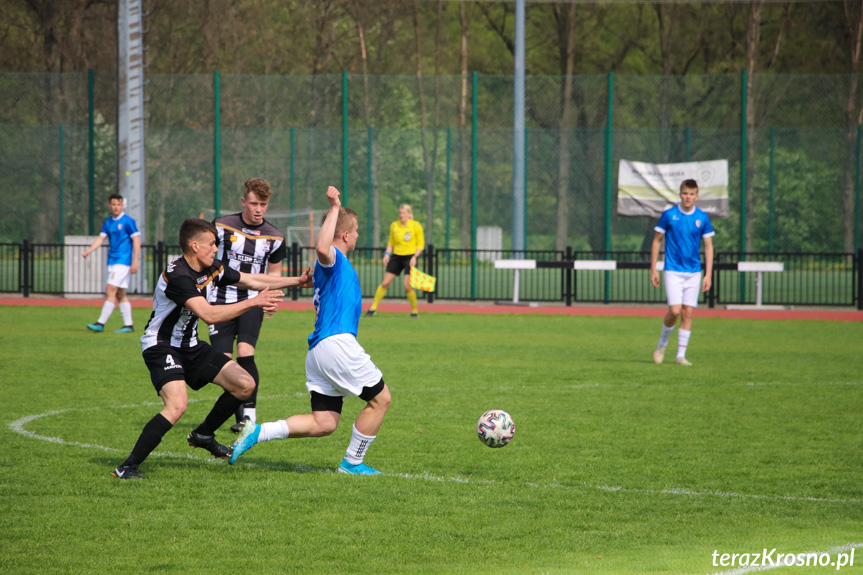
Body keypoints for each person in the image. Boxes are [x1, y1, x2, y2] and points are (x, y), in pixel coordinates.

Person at [112, 218, 312, 480]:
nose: (216, 249)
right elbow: (209, 314)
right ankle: (127, 466)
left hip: (191, 346)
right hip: (162, 346)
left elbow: (250, 279)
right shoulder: (178, 276)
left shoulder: (212, 268)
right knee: (176, 405)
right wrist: (255, 303)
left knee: (245, 385)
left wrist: (297, 280)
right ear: (194, 246)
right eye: (211, 244)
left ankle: (203, 434)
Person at [230, 186, 392, 475]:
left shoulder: (328, 269)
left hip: (318, 351)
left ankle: (258, 432)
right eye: (355, 231)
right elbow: (321, 248)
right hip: (336, 344)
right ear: (345, 235)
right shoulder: (333, 260)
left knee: (324, 422)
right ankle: (352, 464)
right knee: (381, 399)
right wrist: (333, 207)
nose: (357, 235)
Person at [210, 178, 286, 434]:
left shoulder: (275, 236)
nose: (258, 209)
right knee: (224, 361)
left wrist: (272, 299)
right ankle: (240, 414)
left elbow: (274, 276)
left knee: (245, 353)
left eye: (263, 204)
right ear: (244, 201)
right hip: (219, 301)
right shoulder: (221, 226)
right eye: (254, 203)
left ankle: (248, 418)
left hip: (252, 300)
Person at [650, 179, 715, 366]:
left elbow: (709, 246)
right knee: (675, 311)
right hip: (672, 270)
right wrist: (653, 268)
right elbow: (656, 241)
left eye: (692, 194)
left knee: (688, 312)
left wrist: (708, 274)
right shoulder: (669, 215)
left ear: (697, 196)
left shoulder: (702, 218)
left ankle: (680, 356)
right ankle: (662, 344)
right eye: (685, 193)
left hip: (694, 272)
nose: (688, 197)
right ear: (680, 194)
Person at [82, 193, 141, 333]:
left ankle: (100, 323)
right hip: (112, 261)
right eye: (113, 204)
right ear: (109, 205)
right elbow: (100, 239)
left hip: (123, 261)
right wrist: (88, 251)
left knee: (110, 290)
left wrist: (135, 261)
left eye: (118, 204)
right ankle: (129, 325)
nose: (116, 207)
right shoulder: (108, 222)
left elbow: (137, 241)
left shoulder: (128, 221)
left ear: (123, 205)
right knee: (120, 294)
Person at [365, 204, 424, 318]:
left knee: (407, 286)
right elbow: (391, 243)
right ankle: (373, 308)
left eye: (403, 213)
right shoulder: (394, 226)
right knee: (385, 283)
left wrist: (415, 257)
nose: (401, 215)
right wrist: (387, 254)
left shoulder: (415, 226)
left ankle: (415, 311)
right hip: (397, 256)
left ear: (409, 214)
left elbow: (420, 245)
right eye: (400, 213)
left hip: (410, 257)